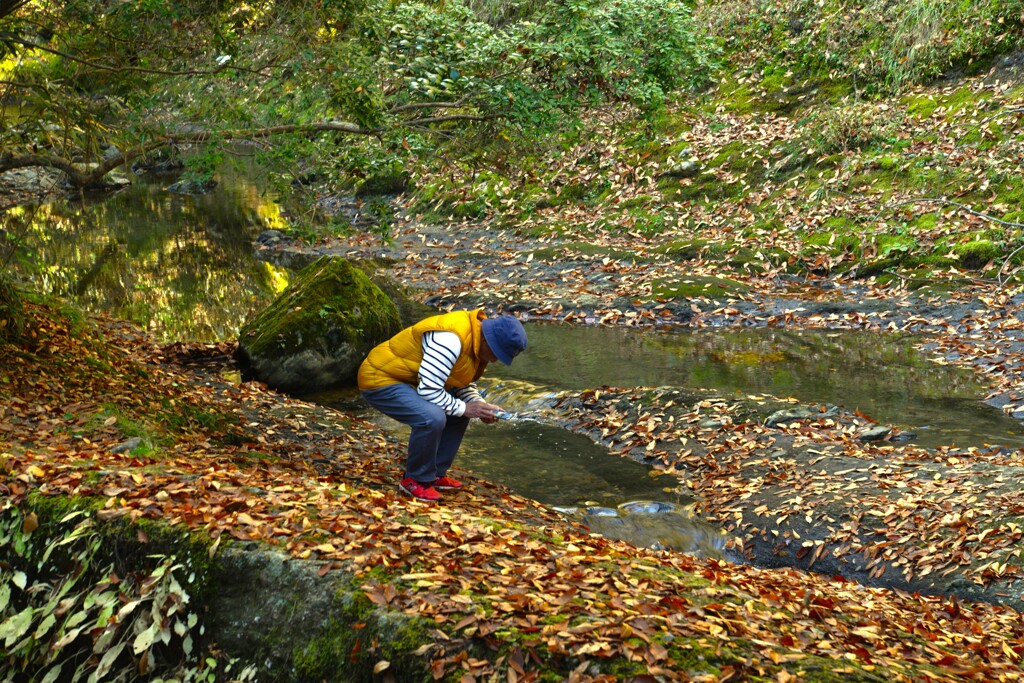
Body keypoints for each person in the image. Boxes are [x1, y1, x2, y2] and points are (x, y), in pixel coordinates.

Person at [357, 309, 528, 502]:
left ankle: (434, 473)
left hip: (411, 380)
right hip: (380, 377)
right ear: (489, 340)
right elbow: (429, 390)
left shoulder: (477, 340)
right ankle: (415, 480)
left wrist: (478, 405)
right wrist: (466, 408)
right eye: (497, 353)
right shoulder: (450, 339)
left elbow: (461, 381)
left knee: (462, 410)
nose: (496, 360)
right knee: (432, 417)